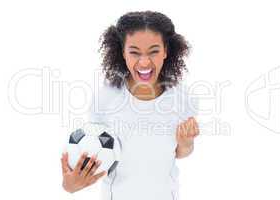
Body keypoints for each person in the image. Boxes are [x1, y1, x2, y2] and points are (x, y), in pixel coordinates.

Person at [61, 10, 199, 200]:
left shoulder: (182, 97)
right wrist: (70, 184)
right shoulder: (106, 98)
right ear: (122, 52)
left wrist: (187, 143)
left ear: (166, 50)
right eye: (134, 52)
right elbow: (92, 150)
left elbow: (179, 153)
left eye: (154, 51)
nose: (144, 62)